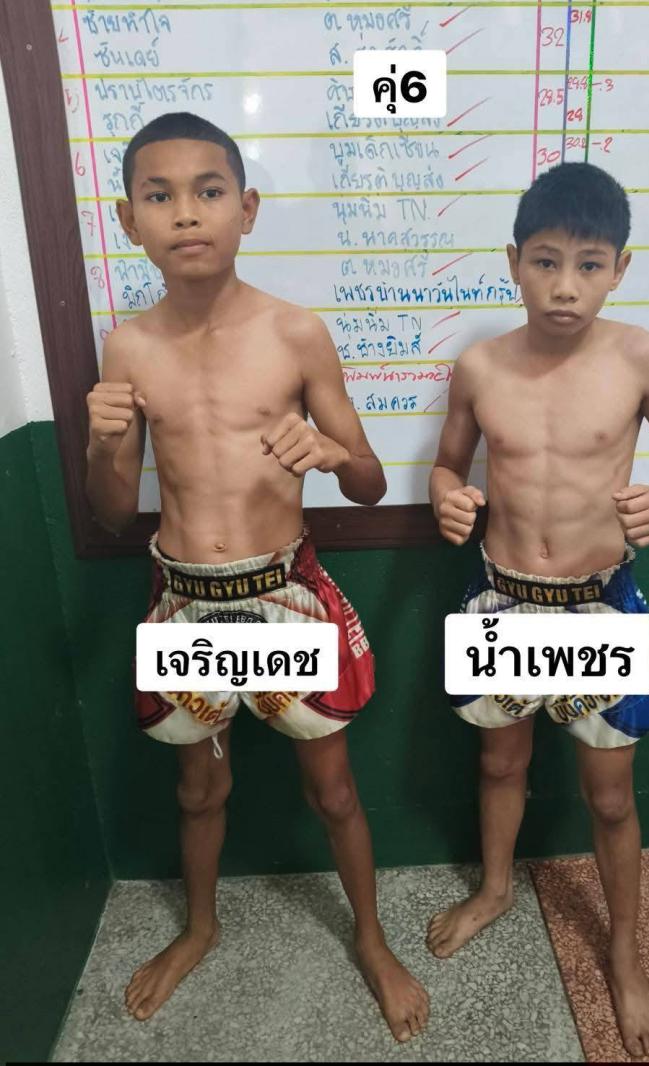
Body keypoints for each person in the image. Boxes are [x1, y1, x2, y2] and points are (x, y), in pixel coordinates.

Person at [85, 111, 429, 1042]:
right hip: (187, 601)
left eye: (209, 191)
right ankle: (200, 927)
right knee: (199, 790)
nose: (186, 213)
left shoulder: (295, 332)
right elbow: (113, 512)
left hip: (284, 592)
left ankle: (370, 938)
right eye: (160, 196)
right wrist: (102, 445)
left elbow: (369, 484)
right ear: (129, 221)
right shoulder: (128, 347)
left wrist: (332, 453)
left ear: (248, 209)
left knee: (334, 790)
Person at [427, 162, 649, 1058]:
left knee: (612, 797)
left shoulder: (639, 357)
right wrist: (446, 498)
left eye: (589, 265)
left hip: (600, 604)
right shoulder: (480, 365)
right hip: (503, 599)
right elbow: (448, 464)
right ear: (513, 261)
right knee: (499, 764)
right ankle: (495, 888)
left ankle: (624, 955)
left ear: (619, 269)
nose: (565, 286)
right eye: (546, 261)